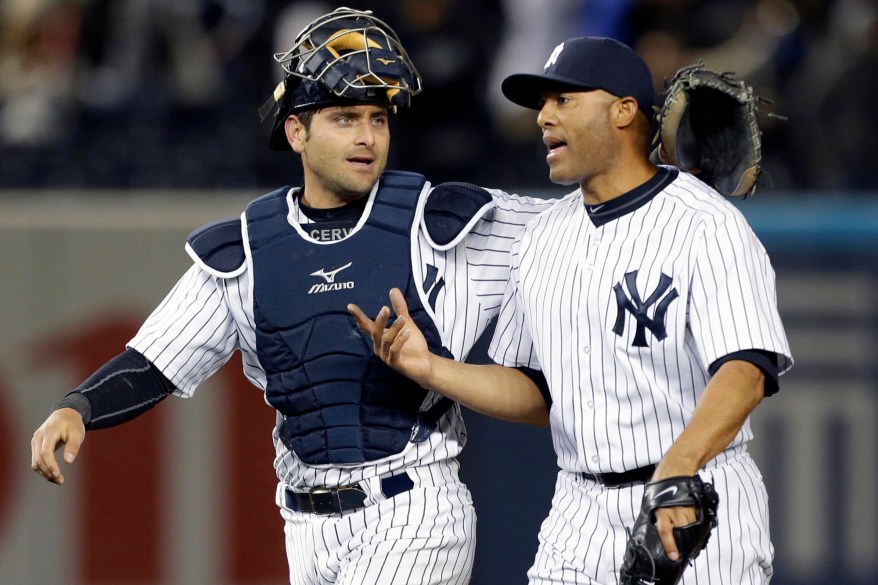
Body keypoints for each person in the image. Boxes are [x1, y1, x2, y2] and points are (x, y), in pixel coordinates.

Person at [29, 8, 554, 585]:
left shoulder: (439, 220)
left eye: (378, 119)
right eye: (344, 116)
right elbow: (155, 359)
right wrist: (77, 407)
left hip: (414, 508)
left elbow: (577, 226)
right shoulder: (252, 247)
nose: (366, 136)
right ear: (296, 131)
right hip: (304, 525)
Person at [350, 36, 794, 584]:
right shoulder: (541, 239)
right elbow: (541, 394)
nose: (543, 118)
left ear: (624, 111)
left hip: (697, 499)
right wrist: (431, 369)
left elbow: (746, 372)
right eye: (542, 105)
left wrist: (678, 467)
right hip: (578, 512)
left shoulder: (706, 224)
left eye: (564, 100)